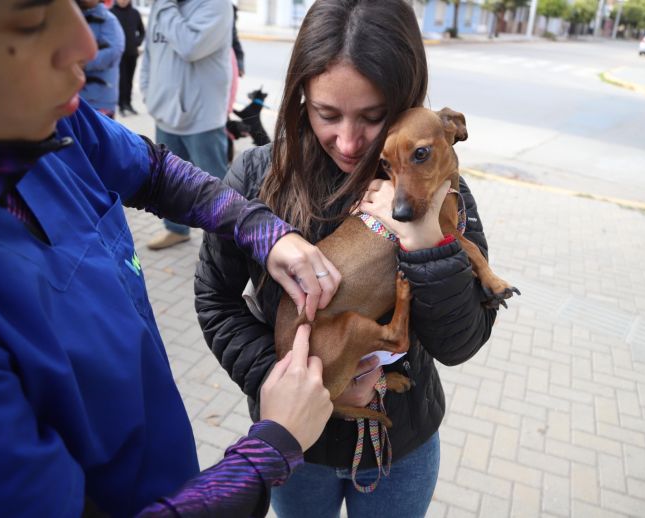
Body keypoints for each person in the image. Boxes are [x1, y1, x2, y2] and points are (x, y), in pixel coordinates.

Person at [0, 0, 342, 516]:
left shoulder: (49, 127)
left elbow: (155, 173)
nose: (88, 45)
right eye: (30, 18)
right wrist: (269, 450)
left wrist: (264, 231)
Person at [194, 0, 499, 516]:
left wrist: (426, 239)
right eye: (327, 114)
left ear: (403, 100)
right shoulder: (255, 178)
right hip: (296, 449)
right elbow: (216, 301)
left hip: (400, 449)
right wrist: (298, 388)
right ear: (300, 98)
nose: (350, 141)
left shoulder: (439, 189)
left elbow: (461, 342)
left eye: (373, 117)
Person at [140, 0, 235, 250]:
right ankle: (176, 230)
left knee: (214, 183)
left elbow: (190, 46)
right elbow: (150, 53)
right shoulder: (163, 5)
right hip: (165, 114)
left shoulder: (216, 6)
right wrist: (148, 94)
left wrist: (166, 7)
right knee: (167, 181)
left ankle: (226, 240)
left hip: (202, 117)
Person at [79, 0, 125, 118]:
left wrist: (82, 62)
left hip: (101, 101)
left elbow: (114, 52)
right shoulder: (73, 19)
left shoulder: (108, 20)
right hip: (77, 99)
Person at [111, 0, 146, 116]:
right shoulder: (111, 13)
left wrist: (137, 42)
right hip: (118, 55)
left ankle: (129, 104)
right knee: (121, 81)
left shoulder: (135, 13)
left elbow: (142, 31)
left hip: (132, 53)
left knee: (130, 80)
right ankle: (121, 105)